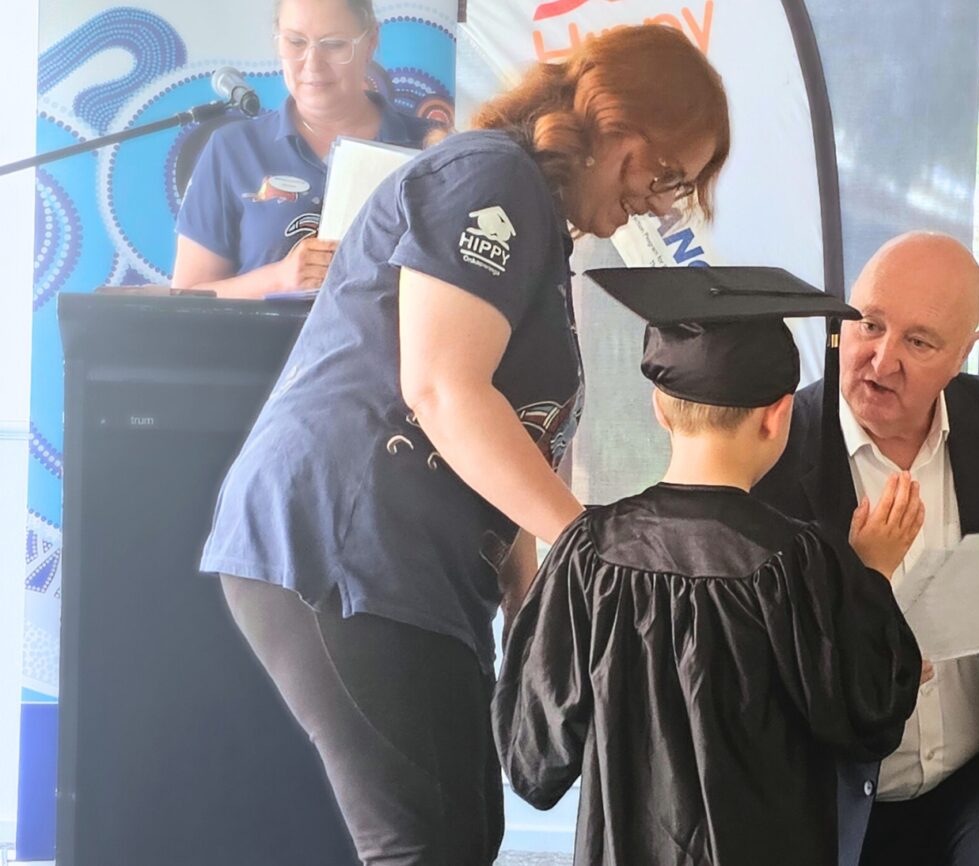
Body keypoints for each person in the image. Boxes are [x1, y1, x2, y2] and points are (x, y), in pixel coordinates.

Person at [198, 25, 731, 866]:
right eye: (667, 175)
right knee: (428, 846)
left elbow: (506, 434)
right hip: (344, 549)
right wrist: (590, 544)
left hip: (413, 569)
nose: (661, 203)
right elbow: (444, 389)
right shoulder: (492, 176)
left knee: (464, 837)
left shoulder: (538, 224)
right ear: (615, 126)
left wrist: (532, 598)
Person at [494, 266, 924, 865]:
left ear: (660, 409)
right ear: (777, 416)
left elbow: (533, 760)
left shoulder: (588, 552)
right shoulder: (798, 562)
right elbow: (867, 717)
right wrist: (870, 578)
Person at [755, 231, 979, 866]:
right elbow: (748, 665)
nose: (880, 360)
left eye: (918, 342)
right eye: (869, 325)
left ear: (962, 355)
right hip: (832, 783)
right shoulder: (771, 449)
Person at [171, 0, 434, 298]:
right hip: (260, 344)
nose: (312, 63)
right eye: (295, 42)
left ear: (371, 41)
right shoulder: (234, 149)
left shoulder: (431, 149)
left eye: (333, 45)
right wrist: (279, 279)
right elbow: (187, 297)